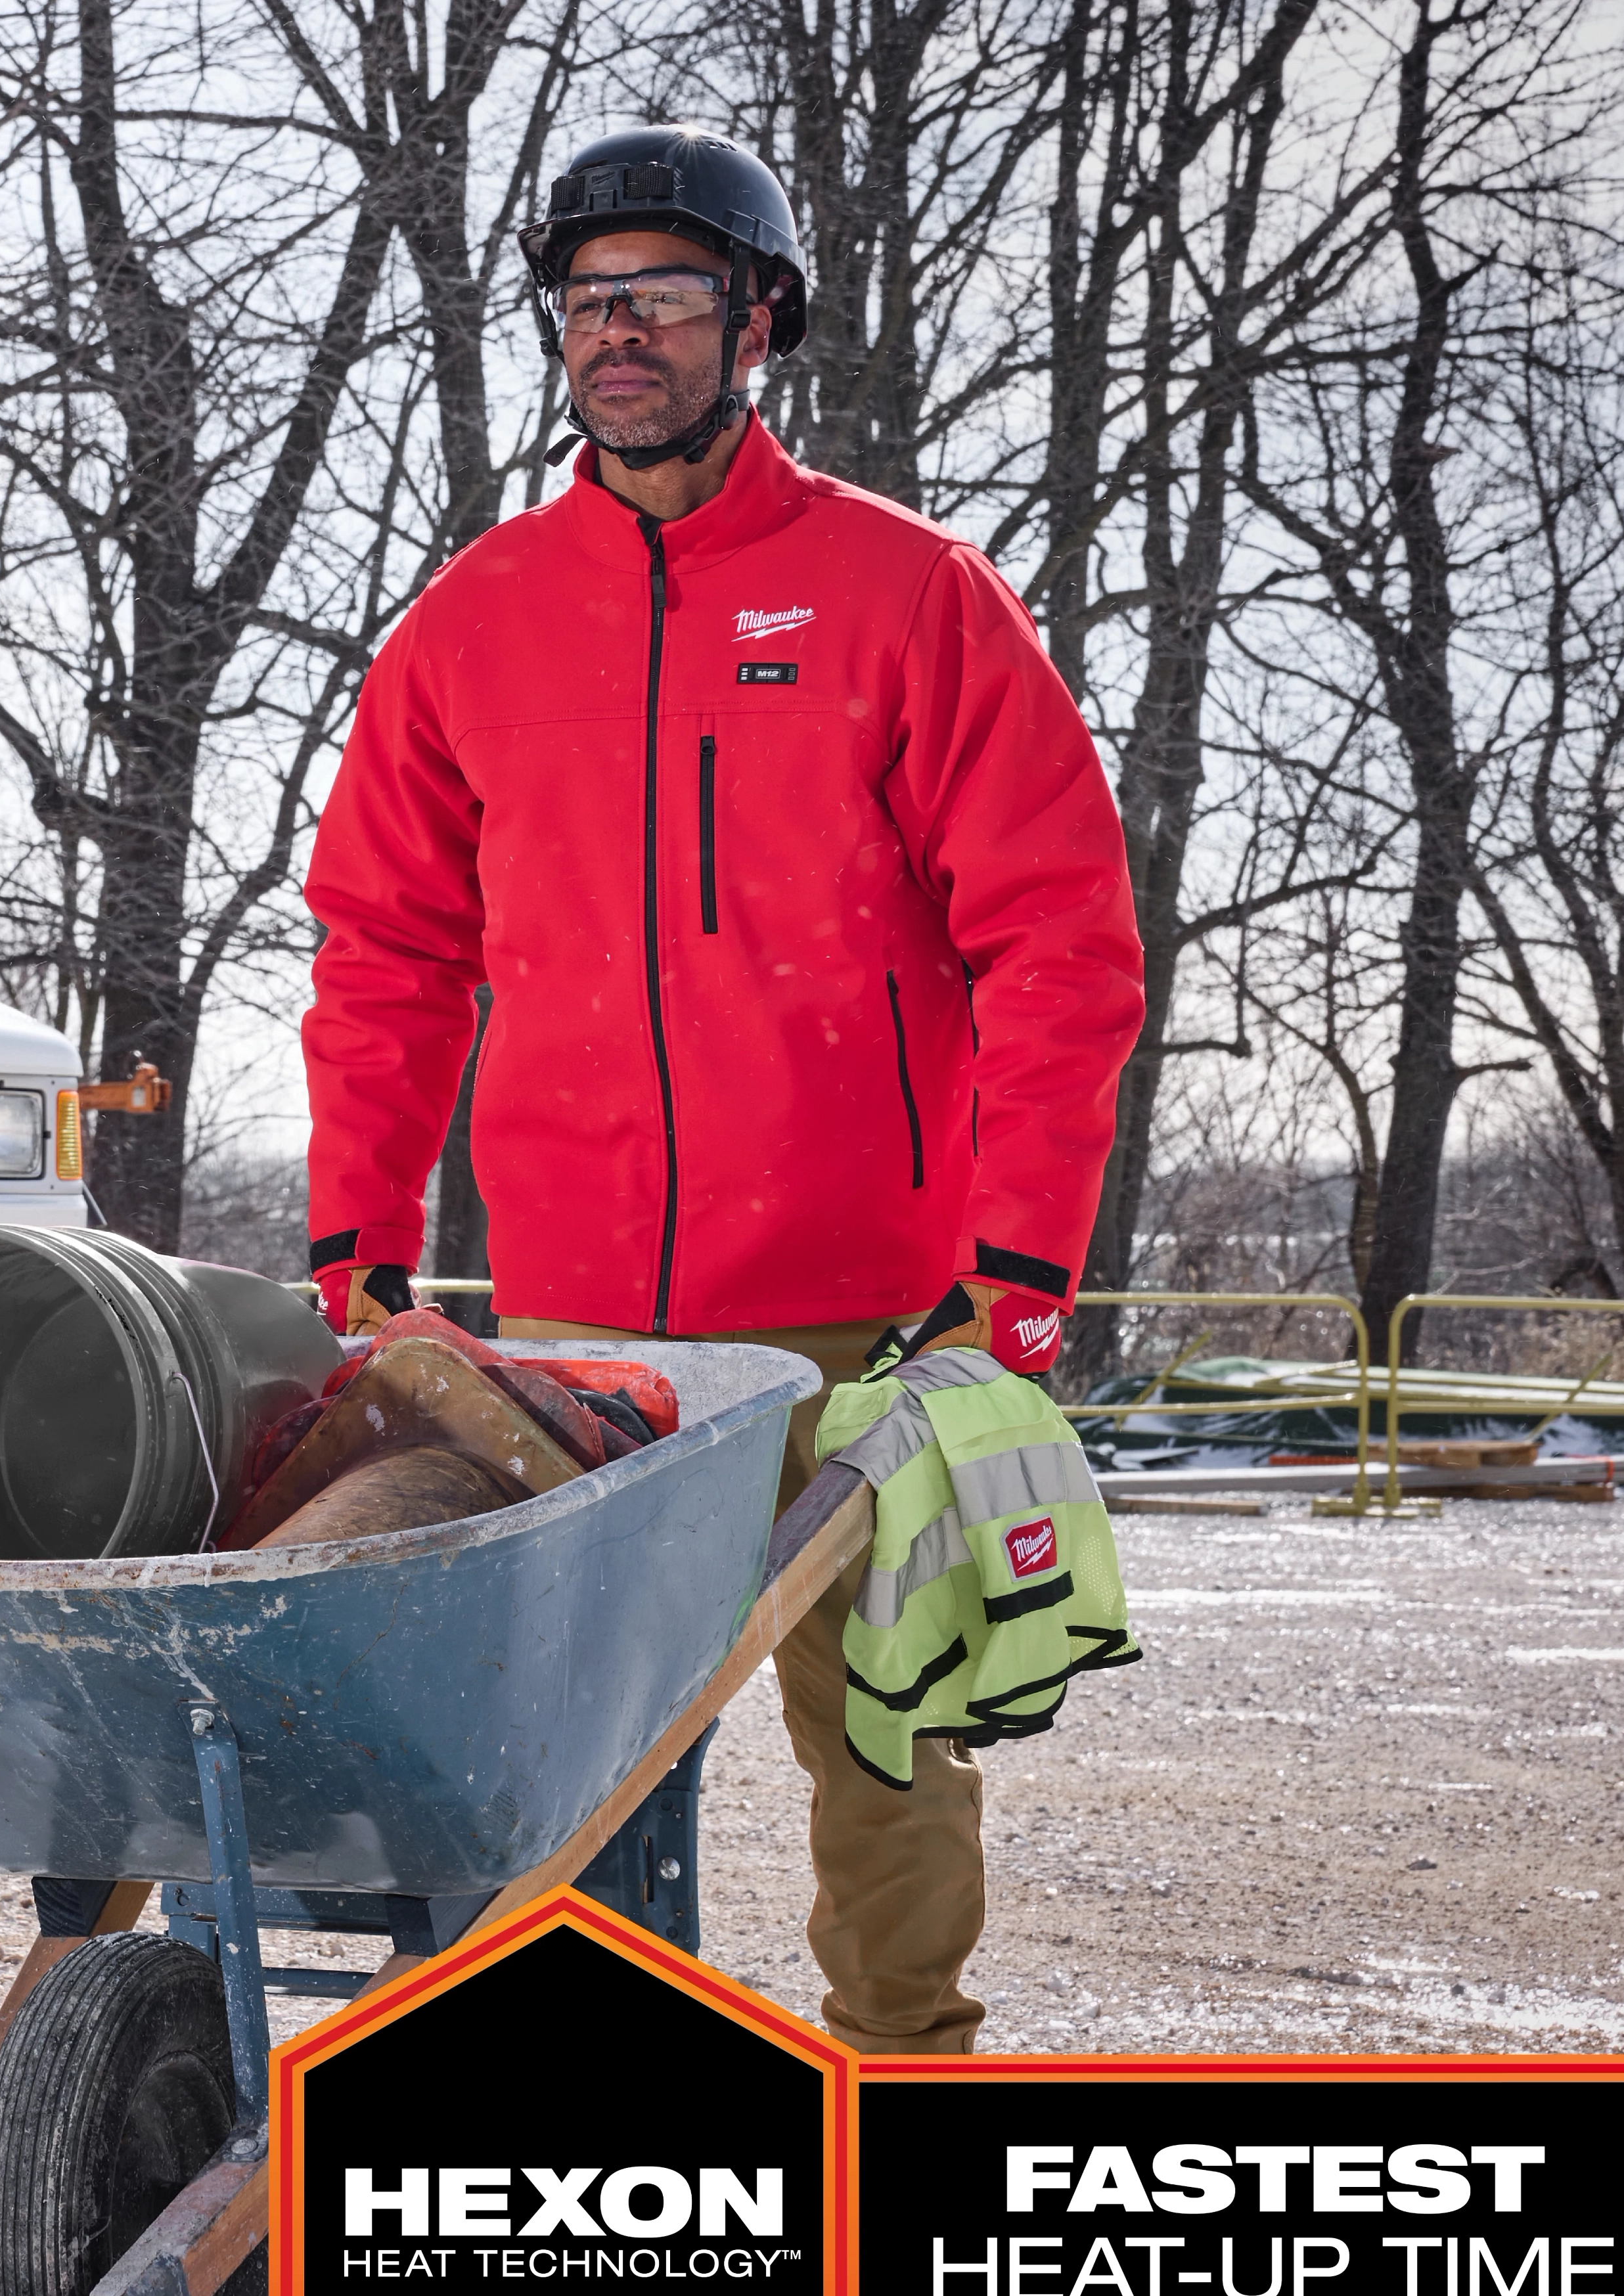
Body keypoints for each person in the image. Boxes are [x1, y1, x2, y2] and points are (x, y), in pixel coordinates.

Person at [298, 125, 1144, 2055]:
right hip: (586, 1336)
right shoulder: (474, 624)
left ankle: (907, 2097)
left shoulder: (907, 597)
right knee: (575, 1767)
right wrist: (361, 1240)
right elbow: (385, 961)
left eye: (666, 297)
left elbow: (1063, 948)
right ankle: (619, 2121)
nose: (623, 337)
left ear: (757, 324)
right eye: (591, 302)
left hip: (870, 1318)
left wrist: (1016, 1268)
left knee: (889, 1742)